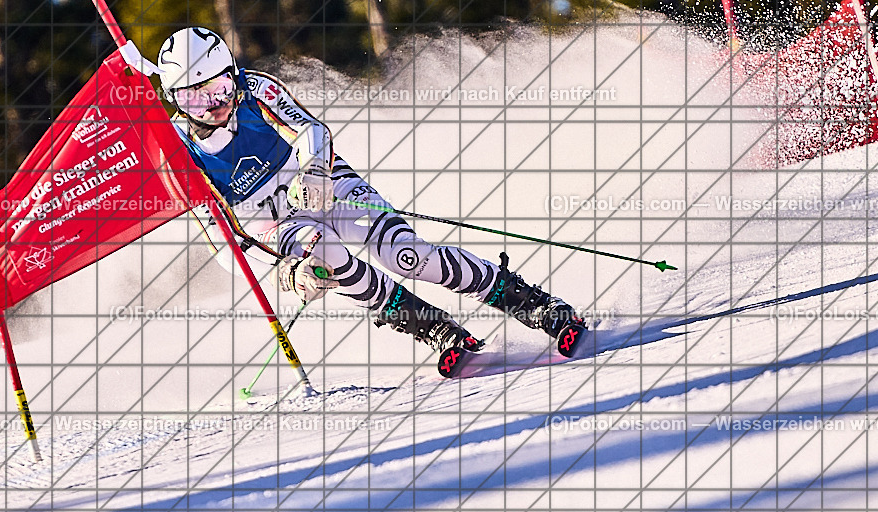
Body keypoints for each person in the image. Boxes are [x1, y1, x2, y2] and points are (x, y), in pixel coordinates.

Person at [155, 26, 586, 357]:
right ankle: (429, 325)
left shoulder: (255, 89)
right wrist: (284, 275)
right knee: (325, 258)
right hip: (274, 221)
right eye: (197, 99)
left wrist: (316, 170)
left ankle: (532, 303)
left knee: (408, 256)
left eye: (220, 88)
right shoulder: (180, 154)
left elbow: (311, 130)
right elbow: (222, 242)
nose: (215, 104)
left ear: (232, 76)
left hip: (318, 183)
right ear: (176, 100)